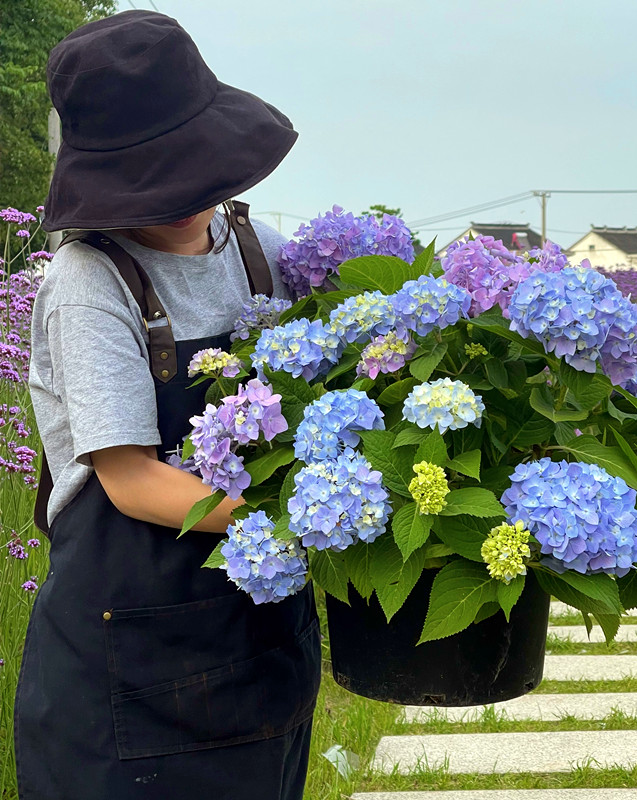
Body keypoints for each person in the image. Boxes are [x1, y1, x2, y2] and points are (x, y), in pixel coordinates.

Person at [15, 10, 321, 800]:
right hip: (126, 678)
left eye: (191, 164)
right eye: (152, 175)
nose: (182, 194)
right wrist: (313, 520)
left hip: (259, 655)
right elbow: (132, 479)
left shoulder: (265, 256)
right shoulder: (91, 282)